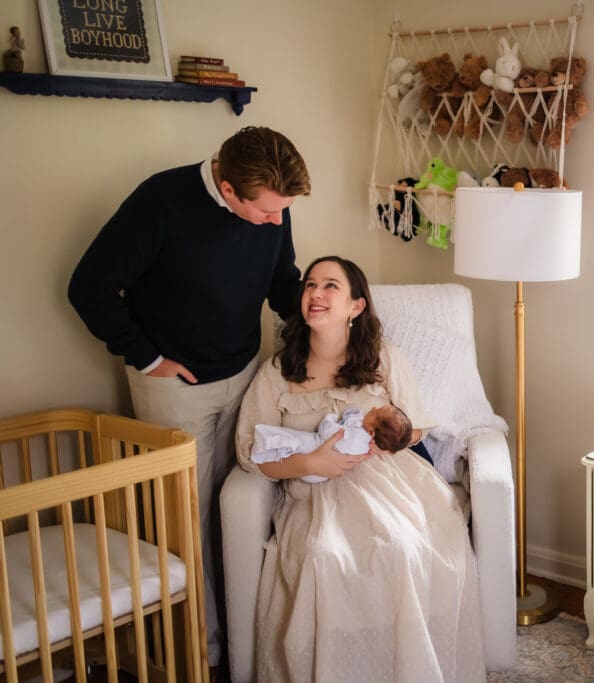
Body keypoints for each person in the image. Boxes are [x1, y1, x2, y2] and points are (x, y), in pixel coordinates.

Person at [67, 126, 310, 670]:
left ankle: (250, 640)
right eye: (268, 213)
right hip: (174, 388)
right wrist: (147, 358)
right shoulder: (160, 202)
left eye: (283, 212)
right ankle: (204, 656)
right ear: (228, 190)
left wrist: (328, 317)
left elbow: (281, 282)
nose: (277, 221)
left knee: (243, 506)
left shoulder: (273, 204)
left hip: (245, 373)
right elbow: (89, 287)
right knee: (187, 523)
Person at [235, 256, 485, 682]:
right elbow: (248, 451)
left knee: (402, 549)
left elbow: (416, 426)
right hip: (314, 492)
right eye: (310, 285)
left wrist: (378, 434)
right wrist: (312, 462)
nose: (316, 293)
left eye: (331, 285)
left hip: (389, 481)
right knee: (323, 557)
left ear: (356, 306)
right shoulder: (277, 372)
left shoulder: (385, 358)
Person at [251, 404, 413, 482]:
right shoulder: (362, 441)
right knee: (292, 442)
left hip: (316, 451)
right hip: (315, 467)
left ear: (371, 433)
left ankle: (264, 446)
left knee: (292, 441)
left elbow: (328, 432)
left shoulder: (357, 438)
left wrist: (331, 418)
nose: (372, 407)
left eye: (374, 413)